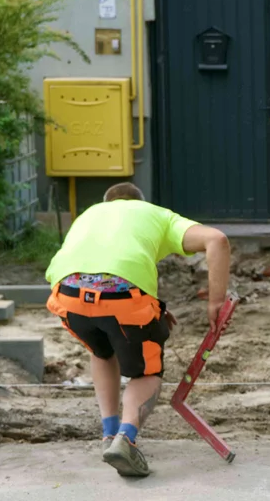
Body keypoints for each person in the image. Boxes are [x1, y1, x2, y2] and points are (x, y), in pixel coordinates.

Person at [44, 183, 231, 478]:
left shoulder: (90, 214)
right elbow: (216, 240)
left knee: (102, 350)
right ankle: (126, 439)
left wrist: (148, 306)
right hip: (124, 296)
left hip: (67, 294)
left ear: (109, 202)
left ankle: (108, 433)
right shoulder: (156, 214)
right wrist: (216, 302)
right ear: (140, 202)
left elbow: (96, 265)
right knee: (146, 372)